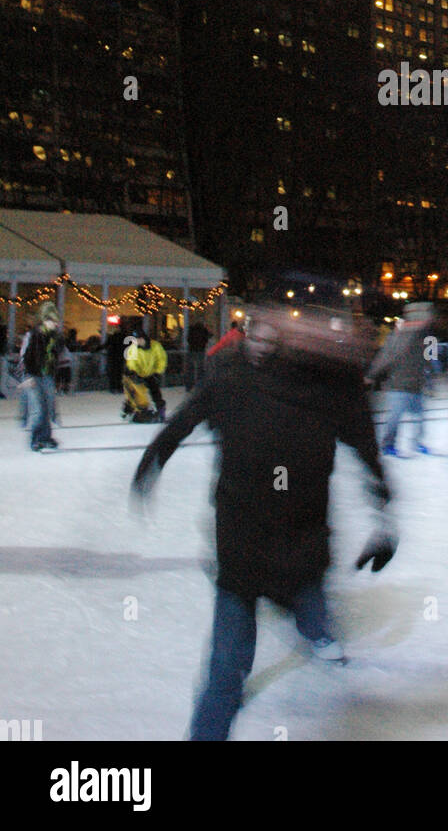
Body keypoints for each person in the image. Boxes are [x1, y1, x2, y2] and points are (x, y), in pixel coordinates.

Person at [131, 302, 396, 741]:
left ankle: (320, 636)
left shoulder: (327, 386)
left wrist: (384, 513)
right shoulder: (229, 375)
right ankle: (210, 730)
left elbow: (365, 447)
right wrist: (152, 460)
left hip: (301, 533)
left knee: (308, 599)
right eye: (254, 335)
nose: (260, 345)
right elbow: (186, 418)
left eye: (272, 339)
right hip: (244, 535)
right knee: (228, 654)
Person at [366, 302, 435, 457]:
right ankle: (388, 444)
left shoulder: (428, 335)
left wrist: (431, 380)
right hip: (399, 383)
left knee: (420, 416)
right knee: (395, 417)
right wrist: (371, 374)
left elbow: (431, 359)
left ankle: (417, 442)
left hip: (417, 384)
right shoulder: (401, 334)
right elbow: (387, 356)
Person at [15, 301, 71, 451]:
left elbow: (59, 359)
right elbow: (26, 356)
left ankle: (46, 437)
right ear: (45, 320)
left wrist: (59, 377)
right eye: (52, 321)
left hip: (47, 376)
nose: (55, 324)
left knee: (47, 407)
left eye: (56, 321)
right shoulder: (34, 335)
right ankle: (36, 438)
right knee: (38, 408)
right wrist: (27, 376)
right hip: (33, 375)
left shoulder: (56, 338)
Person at [123, 328, 168, 422]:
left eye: (138, 339)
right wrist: (133, 372)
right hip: (139, 374)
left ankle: (161, 410)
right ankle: (130, 409)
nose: (137, 342)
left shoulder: (155, 346)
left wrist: (158, 372)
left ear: (143, 338)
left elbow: (162, 359)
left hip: (152, 374)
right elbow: (131, 362)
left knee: (155, 393)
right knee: (137, 393)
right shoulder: (133, 348)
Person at [185, 319, 211, 390]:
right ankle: (199, 385)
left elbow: (188, 339)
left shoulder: (191, 330)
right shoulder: (204, 330)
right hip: (200, 350)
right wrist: (203, 346)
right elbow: (206, 340)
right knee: (200, 368)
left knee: (190, 368)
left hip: (192, 350)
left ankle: (189, 386)